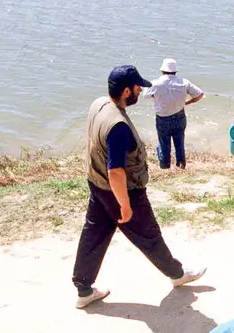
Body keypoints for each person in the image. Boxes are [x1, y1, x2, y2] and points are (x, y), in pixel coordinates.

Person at [72, 65, 205, 309]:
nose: (139, 92)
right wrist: (124, 205)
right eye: (135, 88)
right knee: (148, 235)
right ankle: (177, 275)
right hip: (123, 191)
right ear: (125, 91)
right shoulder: (118, 127)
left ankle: (83, 289)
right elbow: (116, 170)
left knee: (93, 234)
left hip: (96, 183)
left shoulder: (99, 104)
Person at [143, 58, 204, 169]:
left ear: (162, 70)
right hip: (180, 116)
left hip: (163, 118)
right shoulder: (184, 82)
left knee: (164, 144)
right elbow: (199, 94)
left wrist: (156, 96)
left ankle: (165, 166)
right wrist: (188, 102)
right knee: (179, 142)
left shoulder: (155, 83)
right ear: (175, 71)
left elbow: (145, 95)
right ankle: (181, 165)